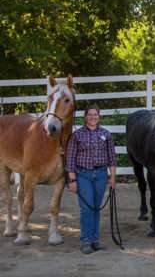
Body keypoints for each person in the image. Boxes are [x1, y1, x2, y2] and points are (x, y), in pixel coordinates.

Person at [66, 105, 117, 254]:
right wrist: (72, 180)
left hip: (101, 174)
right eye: (90, 115)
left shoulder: (106, 134)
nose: (93, 117)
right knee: (86, 208)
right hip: (83, 175)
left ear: (99, 117)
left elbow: (112, 158)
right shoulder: (77, 135)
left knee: (96, 207)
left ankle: (95, 240)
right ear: (85, 117)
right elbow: (70, 159)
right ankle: (86, 241)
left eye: (95, 114)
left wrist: (112, 177)